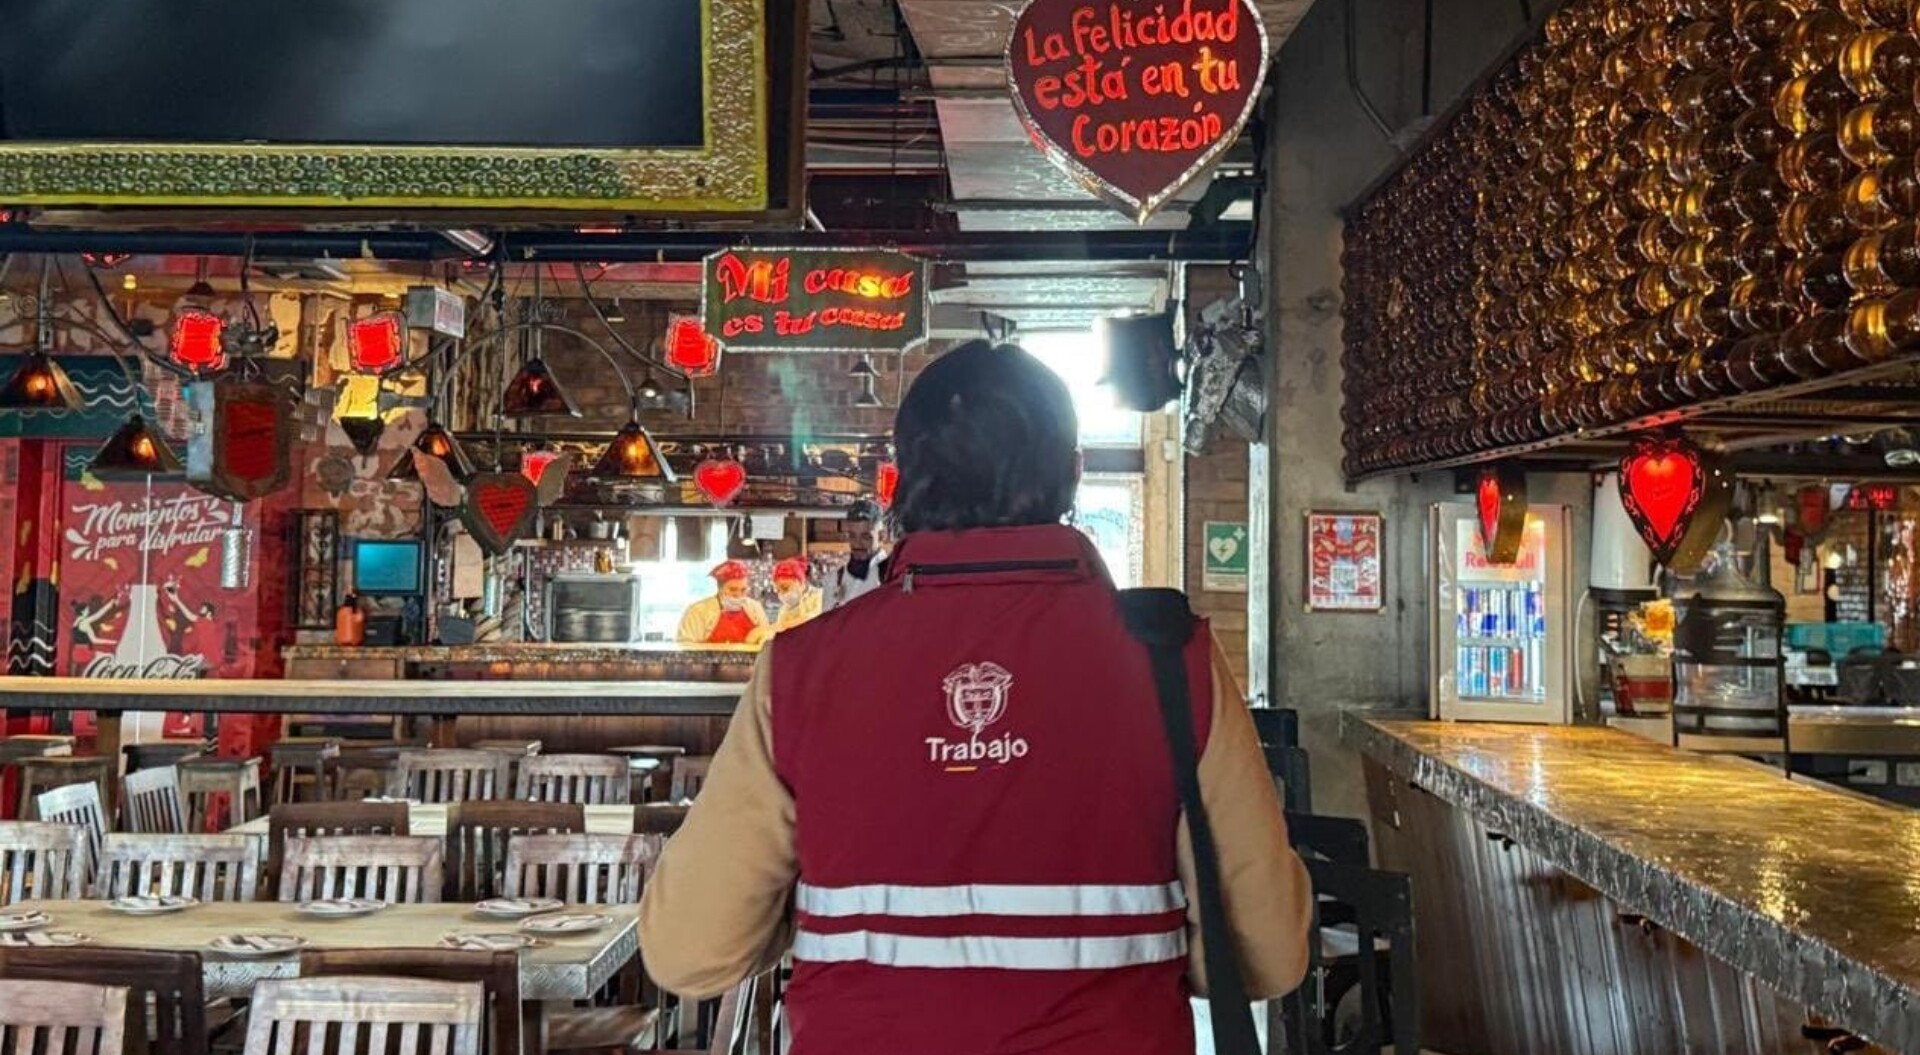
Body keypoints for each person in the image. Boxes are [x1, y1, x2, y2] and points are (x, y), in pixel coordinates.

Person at [640, 339, 1310, 1055]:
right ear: (1074, 474)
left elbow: (689, 951)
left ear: (903, 480)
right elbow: (1266, 952)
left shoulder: (801, 671)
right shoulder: (1173, 660)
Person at [675, 560, 769, 645]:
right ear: (720, 588)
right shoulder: (698, 611)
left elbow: (767, 640)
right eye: (733, 589)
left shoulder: (755, 608)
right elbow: (685, 646)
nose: (738, 595)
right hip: (710, 659)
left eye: (743, 590)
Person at [824, 498, 889, 609]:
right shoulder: (833, 579)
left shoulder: (892, 577)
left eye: (866, 537)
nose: (857, 544)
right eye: (852, 536)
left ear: (882, 536)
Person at [764, 557, 823, 636]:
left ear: (801, 582)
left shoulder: (820, 597)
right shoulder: (784, 611)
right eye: (777, 591)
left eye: (785, 588)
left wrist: (782, 627)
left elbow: (814, 619)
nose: (782, 594)